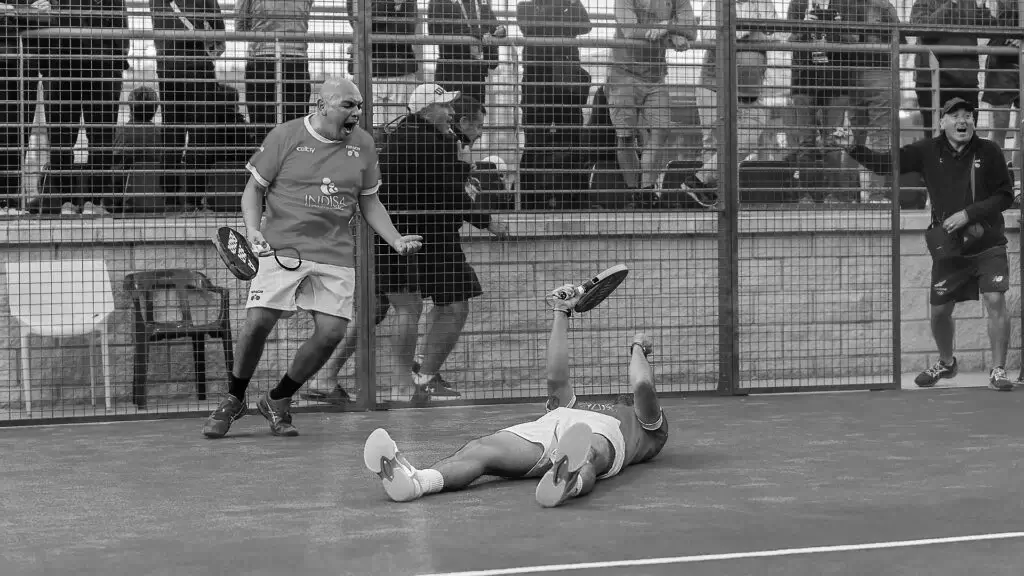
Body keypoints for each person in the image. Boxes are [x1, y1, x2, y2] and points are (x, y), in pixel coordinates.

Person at [202, 77, 423, 438]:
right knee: (258, 322)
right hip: (280, 246)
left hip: (334, 251)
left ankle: (278, 399)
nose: (356, 112)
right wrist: (253, 229)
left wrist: (395, 239)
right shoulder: (285, 136)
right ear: (321, 106)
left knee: (332, 332)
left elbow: (369, 200)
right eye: (348, 105)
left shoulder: (364, 144)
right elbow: (253, 190)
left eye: (359, 106)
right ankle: (234, 397)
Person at [363, 285, 668, 507]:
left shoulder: (648, 426)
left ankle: (568, 481)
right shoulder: (572, 405)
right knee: (481, 449)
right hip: (553, 425)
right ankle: (416, 481)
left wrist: (638, 346)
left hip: (604, 435)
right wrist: (562, 311)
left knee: (587, 450)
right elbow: (556, 377)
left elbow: (642, 385)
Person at [842, 97, 1016, 391]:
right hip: (950, 249)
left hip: (988, 243)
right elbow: (887, 164)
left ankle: (998, 371)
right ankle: (947, 364)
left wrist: (968, 214)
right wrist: (853, 147)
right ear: (942, 123)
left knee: (995, 300)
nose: (963, 121)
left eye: (968, 116)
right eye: (955, 116)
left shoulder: (990, 151)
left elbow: (1005, 195)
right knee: (938, 312)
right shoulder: (926, 150)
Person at [375, 85, 507, 400]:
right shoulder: (431, 142)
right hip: (416, 236)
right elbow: (449, 192)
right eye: (444, 107)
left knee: (430, 305)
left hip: (420, 234)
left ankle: (416, 378)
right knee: (424, 307)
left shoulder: (419, 136)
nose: (450, 113)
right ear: (427, 110)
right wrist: (488, 222)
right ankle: (411, 382)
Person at [606, 0, 697, 207]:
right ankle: (634, 193)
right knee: (626, 137)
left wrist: (666, 27)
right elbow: (632, 31)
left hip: (656, 77)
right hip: (623, 74)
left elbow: (692, 30)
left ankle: (647, 190)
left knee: (661, 129)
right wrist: (671, 31)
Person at [235, 0, 314, 135]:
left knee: (262, 125)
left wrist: (260, 29)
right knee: (296, 126)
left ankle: (266, 152)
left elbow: (240, 25)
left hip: (261, 57)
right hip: (297, 57)